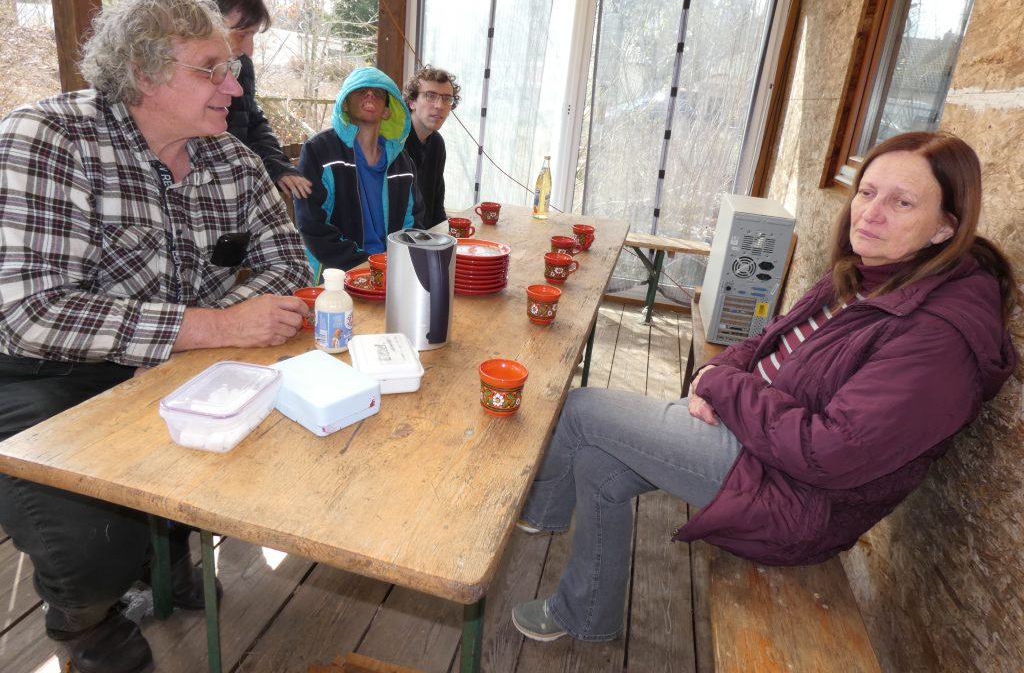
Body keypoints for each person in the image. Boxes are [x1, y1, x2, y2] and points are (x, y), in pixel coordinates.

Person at [510, 131, 1018, 643]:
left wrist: (723, 386)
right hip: (753, 437)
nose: (870, 213)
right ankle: (585, 614)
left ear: (944, 228)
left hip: (795, 494)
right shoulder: (867, 273)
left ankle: (534, 517)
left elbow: (830, 452)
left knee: (581, 409)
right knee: (597, 464)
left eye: (902, 202)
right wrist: (715, 373)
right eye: (867, 192)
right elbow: (766, 339)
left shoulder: (938, 338)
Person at [0, 0, 312, 673]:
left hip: (175, 362)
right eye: (212, 68)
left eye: (233, 67)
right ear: (145, 72)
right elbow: (33, 314)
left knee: (277, 444)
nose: (235, 87)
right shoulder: (48, 138)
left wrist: (206, 332)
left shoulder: (231, 159)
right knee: (87, 543)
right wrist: (207, 327)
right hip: (38, 374)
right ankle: (87, 621)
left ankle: (161, 551)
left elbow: (289, 263)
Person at [191, 0, 312, 200]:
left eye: (253, 35)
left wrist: (277, 165)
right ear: (203, 21)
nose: (249, 50)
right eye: (242, 34)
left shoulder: (241, 66)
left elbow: (251, 120)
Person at [295, 66, 424, 277]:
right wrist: (365, 265)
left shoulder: (402, 162)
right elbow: (311, 225)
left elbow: (413, 223)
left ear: (387, 111)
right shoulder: (319, 151)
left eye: (378, 92)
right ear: (344, 104)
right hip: (336, 274)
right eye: (361, 90)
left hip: (389, 271)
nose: (370, 94)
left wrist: (395, 267)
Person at [402, 65, 460, 228]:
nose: (439, 105)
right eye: (430, 96)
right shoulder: (395, 143)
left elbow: (436, 205)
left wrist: (443, 236)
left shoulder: (437, 143)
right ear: (412, 102)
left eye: (447, 98)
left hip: (427, 235)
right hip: (400, 237)